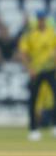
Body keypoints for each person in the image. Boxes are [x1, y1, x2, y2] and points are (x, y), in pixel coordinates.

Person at [19, 10, 56, 141]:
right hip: (36, 71)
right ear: (37, 20)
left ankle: (54, 126)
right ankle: (33, 129)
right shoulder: (30, 34)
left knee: (55, 97)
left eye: (43, 18)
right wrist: (30, 68)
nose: (42, 21)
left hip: (51, 70)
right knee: (33, 100)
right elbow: (23, 53)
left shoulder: (52, 32)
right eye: (40, 19)